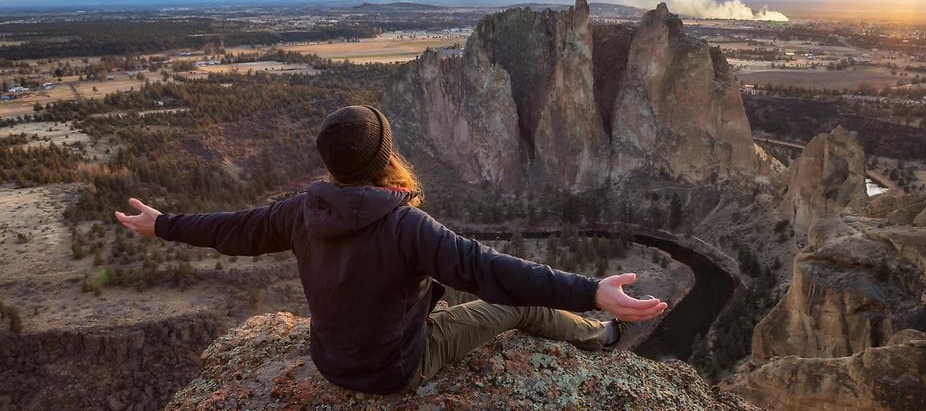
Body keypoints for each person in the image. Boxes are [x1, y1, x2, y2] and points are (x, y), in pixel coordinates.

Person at [115, 104, 667, 394]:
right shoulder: (405, 225)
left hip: (330, 362)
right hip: (395, 369)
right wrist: (591, 293)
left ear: (330, 165)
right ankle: (601, 336)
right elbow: (490, 271)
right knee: (516, 306)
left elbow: (231, 229)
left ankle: (596, 327)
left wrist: (163, 225)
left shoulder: (300, 211)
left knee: (457, 301)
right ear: (385, 161)